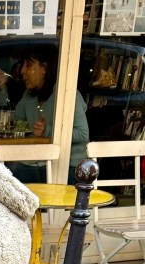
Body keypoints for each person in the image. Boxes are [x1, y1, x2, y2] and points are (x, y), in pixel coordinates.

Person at [12, 51, 89, 184]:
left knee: (11, 172)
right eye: (22, 65)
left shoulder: (67, 93)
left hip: (68, 166)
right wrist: (2, 90)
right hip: (40, 161)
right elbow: (16, 124)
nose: (22, 71)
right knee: (6, 169)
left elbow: (83, 134)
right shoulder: (29, 95)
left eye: (28, 65)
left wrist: (48, 131)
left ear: (45, 69)